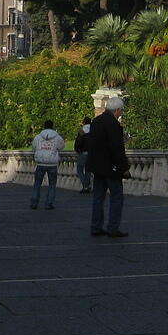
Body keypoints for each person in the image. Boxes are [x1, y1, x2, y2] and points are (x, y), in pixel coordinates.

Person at [89, 97, 131, 238]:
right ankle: (113, 227)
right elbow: (117, 148)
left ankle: (96, 226)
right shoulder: (113, 125)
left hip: (97, 166)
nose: (121, 114)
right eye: (121, 111)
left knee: (98, 198)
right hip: (111, 167)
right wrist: (123, 167)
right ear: (117, 110)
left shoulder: (96, 122)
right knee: (116, 197)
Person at [30, 120, 65, 210]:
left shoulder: (38, 137)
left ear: (44, 126)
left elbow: (33, 147)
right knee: (52, 184)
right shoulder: (57, 137)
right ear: (52, 126)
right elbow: (61, 146)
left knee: (37, 184)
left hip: (40, 163)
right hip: (52, 163)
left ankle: (34, 202)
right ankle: (49, 203)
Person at [73, 116, 93, 194]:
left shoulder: (82, 130)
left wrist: (77, 149)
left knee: (79, 169)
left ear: (84, 122)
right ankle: (87, 186)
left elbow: (78, 142)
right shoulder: (94, 130)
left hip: (83, 152)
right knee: (88, 170)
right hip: (92, 153)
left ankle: (85, 185)